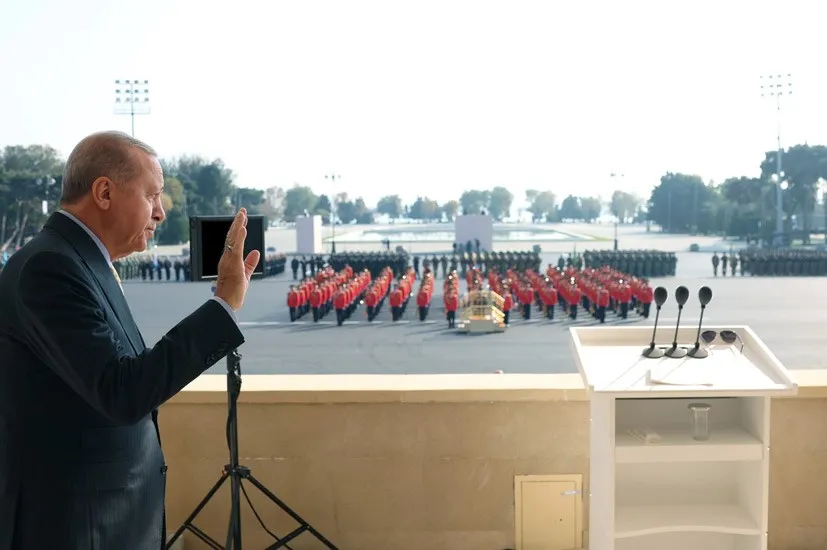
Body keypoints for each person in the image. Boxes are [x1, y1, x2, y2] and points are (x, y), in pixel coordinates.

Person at [0, 131, 261, 550]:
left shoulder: (77, 261)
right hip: (77, 528)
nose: (161, 212)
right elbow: (122, 391)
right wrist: (224, 303)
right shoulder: (50, 268)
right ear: (104, 192)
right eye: (152, 195)